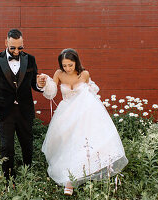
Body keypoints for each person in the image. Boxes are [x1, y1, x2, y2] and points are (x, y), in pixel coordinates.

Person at [41, 48, 128, 195]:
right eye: (64, 65)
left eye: (70, 65)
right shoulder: (59, 74)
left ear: (76, 62)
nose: (67, 68)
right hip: (66, 115)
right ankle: (68, 176)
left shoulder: (84, 74)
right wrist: (45, 82)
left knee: (84, 143)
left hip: (84, 115)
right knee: (68, 145)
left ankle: (76, 178)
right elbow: (51, 94)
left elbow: (90, 93)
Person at [0, 29, 46, 181]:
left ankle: (28, 176)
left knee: (27, 145)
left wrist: (40, 85)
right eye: (13, 48)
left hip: (25, 110)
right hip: (4, 111)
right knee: (7, 147)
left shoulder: (30, 59)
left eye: (20, 47)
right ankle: (8, 179)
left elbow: (34, 85)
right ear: (6, 43)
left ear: (23, 44)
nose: (17, 51)